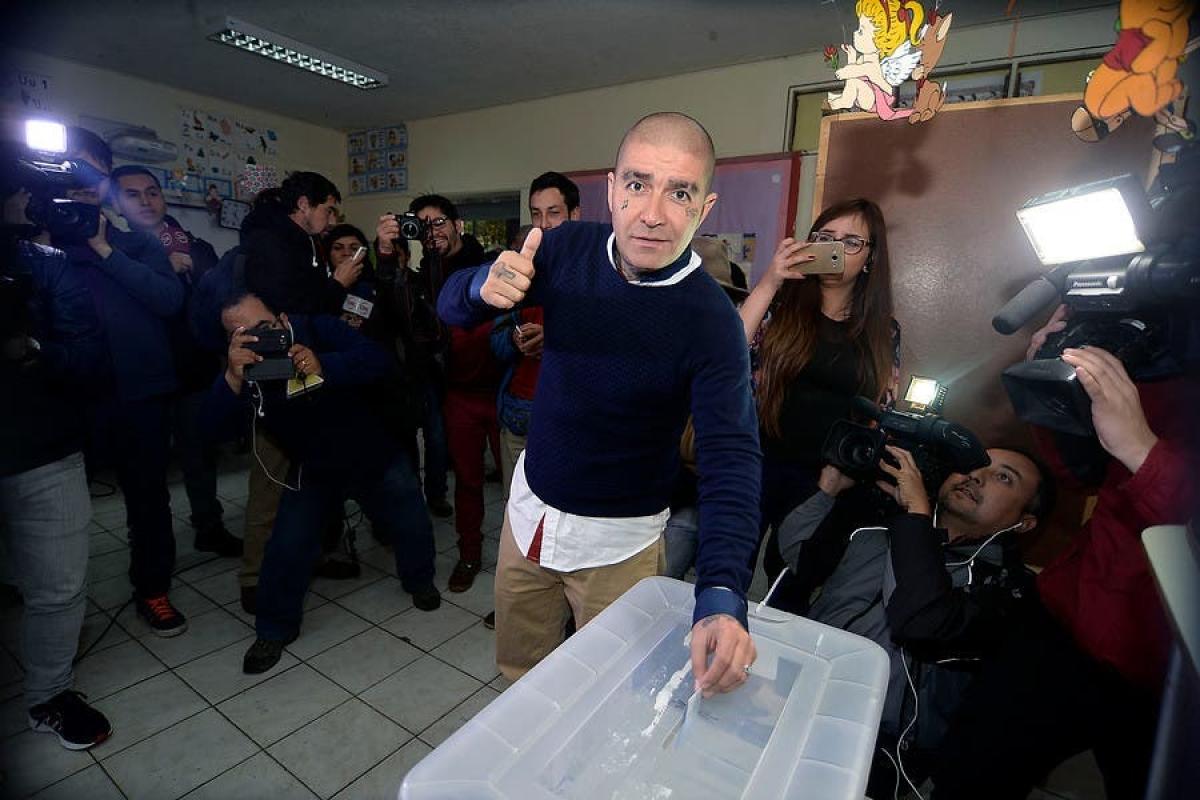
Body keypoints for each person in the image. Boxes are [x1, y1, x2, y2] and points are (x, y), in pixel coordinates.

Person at [438, 112, 760, 695]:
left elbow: (731, 459)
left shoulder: (712, 323)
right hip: (530, 515)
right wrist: (477, 288)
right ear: (611, 190)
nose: (652, 213)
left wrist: (721, 592)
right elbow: (451, 308)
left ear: (704, 208)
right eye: (637, 184)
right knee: (520, 680)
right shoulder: (566, 248)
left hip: (620, 544)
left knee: (610, 692)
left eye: (679, 193)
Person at [930, 317, 1200, 800]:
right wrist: (1052, 379)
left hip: (1174, 674)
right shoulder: (1169, 352)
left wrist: (1144, 452)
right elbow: (1081, 473)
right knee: (968, 777)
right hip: (1067, 620)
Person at [776, 447, 1054, 796]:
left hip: (876, 746)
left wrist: (917, 516)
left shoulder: (1010, 587)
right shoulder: (880, 526)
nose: (976, 476)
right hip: (794, 696)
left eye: (1003, 477)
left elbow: (922, 621)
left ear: (1024, 522)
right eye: (973, 463)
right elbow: (798, 555)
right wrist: (829, 489)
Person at [205, 293, 441, 674]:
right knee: (287, 544)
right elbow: (212, 430)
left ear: (282, 317)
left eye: (265, 328)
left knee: (409, 518)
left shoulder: (318, 328)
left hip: (370, 450)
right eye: (245, 334)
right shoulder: (246, 369)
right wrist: (232, 376)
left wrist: (324, 364)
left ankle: (420, 581)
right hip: (312, 466)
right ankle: (273, 629)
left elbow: (377, 359)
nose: (261, 339)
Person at [58, 127, 189, 636]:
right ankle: (54, 606)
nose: (78, 182)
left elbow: (168, 300)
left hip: (140, 394)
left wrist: (103, 248)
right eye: (66, 170)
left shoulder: (136, 243)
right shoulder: (41, 244)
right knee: (54, 512)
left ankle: (153, 588)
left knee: (148, 499)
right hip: (67, 395)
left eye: (87, 171)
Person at [739, 198, 900, 594]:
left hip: (825, 477)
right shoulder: (780, 305)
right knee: (729, 567)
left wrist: (845, 474)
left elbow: (882, 407)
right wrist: (770, 281)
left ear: (871, 258)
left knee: (790, 584)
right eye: (825, 238)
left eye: (850, 242)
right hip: (755, 459)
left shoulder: (883, 331)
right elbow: (726, 352)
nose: (834, 249)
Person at [1, 185, 112, 750]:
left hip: (42, 447)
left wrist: (34, 351)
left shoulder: (43, 265)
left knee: (59, 587)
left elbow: (88, 355)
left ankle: (49, 695)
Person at [236, 175, 358, 612]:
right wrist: (337, 284)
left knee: (312, 477)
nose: (332, 219)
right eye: (328, 209)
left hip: (306, 372)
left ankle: (312, 554)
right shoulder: (270, 242)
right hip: (274, 379)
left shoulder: (303, 242)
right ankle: (254, 578)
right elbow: (290, 305)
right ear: (304, 204)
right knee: (271, 480)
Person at [109, 165, 240, 557]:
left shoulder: (194, 245)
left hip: (192, 367)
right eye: (132, 194)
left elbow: (219, 300)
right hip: (143, 373)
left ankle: (209, 526)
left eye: (152, 192)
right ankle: (150, 543)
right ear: (115, 202)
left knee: (200, 453)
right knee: (146, 467)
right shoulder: (110, 250)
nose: (146, 201)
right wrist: (162, 269)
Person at [378, 194, 497, 593]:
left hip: (501, 392)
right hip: (457, 393)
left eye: (439, 222)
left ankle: (527, 570)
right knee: (467, 481)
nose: (432, 232)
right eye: (422, 225)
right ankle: (469, 554)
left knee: (521, 489)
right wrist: (387, 256)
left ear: (458, 224)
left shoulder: (489, 266)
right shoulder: (419, 279)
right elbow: (396, 314)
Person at [492, 172, 582, 495]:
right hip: (518, 415)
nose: (543, 225)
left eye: (553, 213)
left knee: (559, 510)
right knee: (516, 509)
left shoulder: (594, 273)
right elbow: (495, 340)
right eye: (536, 214)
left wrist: (554, 338)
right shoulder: (521, 270)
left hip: (567, 420)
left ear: (574, 214)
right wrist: (514, 339)